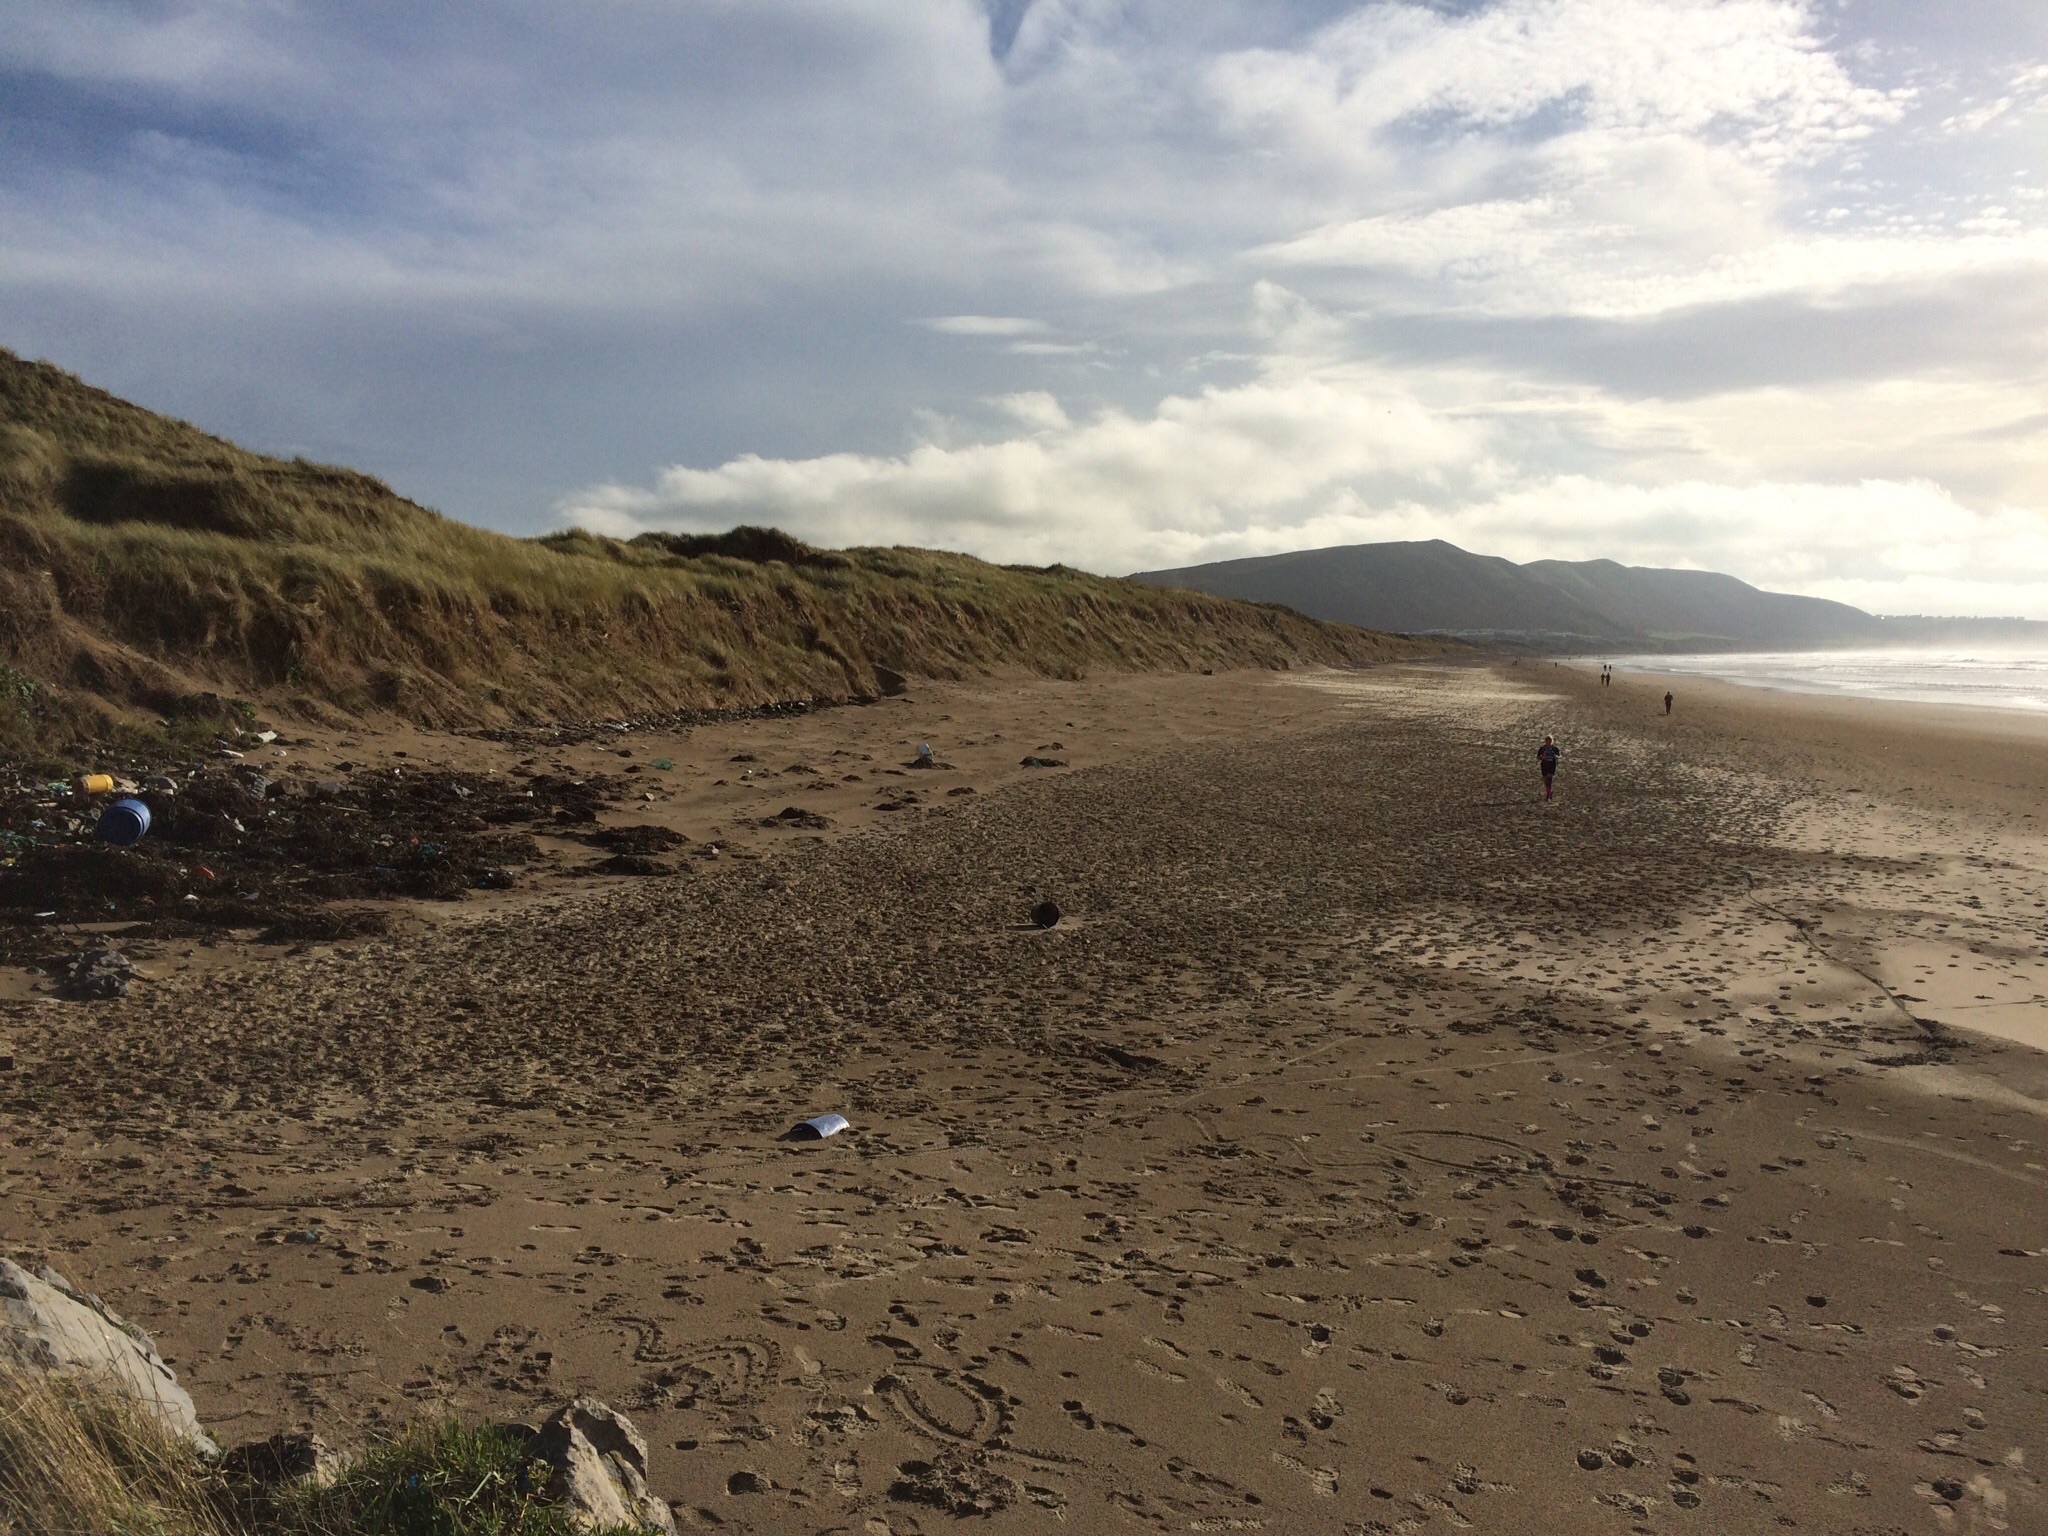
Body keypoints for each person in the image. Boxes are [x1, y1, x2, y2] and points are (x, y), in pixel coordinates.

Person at [1536, 734, 1560, 800]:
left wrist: (1556, 756)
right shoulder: (1542, 748)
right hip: (1544, 765)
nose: (1549, 742)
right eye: (1547, 741)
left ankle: (1548, 795)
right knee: (1545, 780)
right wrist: (1542, 757)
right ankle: (1549, 791)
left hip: (1551, 765)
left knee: (1549, 779)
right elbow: (1538, 757)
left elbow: (1559, 755)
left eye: (1550, 741)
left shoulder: (1554, 749)